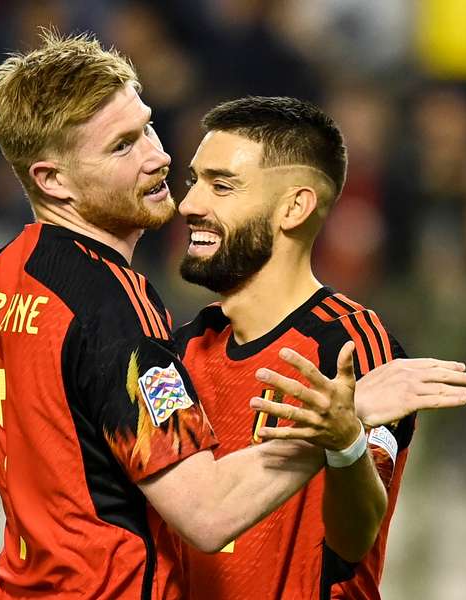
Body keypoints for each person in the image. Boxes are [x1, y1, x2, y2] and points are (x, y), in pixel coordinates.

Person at [0, 37, 466, 599]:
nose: (161, 165)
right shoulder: (123, 317)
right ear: (53, 179)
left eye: (148, 128)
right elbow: (206, 510)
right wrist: (344, 427)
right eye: (123, 145)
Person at [173, 96, 431, 599]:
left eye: (221, 186)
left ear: (294, 207)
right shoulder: (181, 349)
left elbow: (358, 536)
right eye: (193, 181)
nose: (190, 205)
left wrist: (345, 442)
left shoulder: (351, 347)